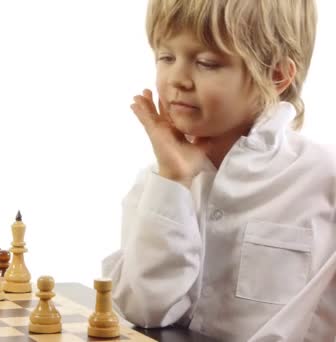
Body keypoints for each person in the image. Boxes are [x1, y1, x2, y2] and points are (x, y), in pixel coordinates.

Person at [101, 0, 336, 340]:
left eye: (206, 63)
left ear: (276, 75)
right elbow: (143, 311)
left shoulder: (324, 178)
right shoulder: (159, 179)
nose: (177, 79)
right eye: (166, 57)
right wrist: (173, 181)